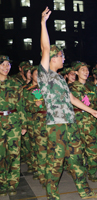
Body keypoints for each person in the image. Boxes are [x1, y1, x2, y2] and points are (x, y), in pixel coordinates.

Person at [38, 7, 97, 199]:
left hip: (70, 124)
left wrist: (92, 111)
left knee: (76, 160)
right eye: (61, 56)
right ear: (53, 58)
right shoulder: (45, 75)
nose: (64, 58)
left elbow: (72, 99)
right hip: (56, 126)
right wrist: (43, 23)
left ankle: (85, 192)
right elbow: (45, 47)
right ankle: (52, 195)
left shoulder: (60, 79)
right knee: (56, 162)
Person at [68, 62, 97, 182]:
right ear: (76, 72)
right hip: (76, 122)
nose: (86, 72)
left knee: (93, 150)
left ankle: (92, 172)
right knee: (78, 151)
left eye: (87, 70)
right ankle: (80, 175)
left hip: (90, 122)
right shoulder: (70, 87)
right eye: (83, 70)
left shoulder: (92, 87)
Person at [0, 55, 27, 197]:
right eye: (3, 64)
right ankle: (2, 182)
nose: (6, 67)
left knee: (14, 153)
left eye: (8, 64)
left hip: (14, 121)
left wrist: (24, 124)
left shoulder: (16, 84)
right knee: (1, 154)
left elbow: (21, 105)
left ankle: (12, 183)